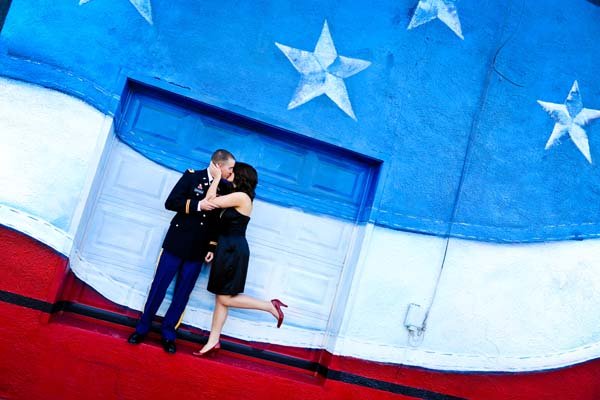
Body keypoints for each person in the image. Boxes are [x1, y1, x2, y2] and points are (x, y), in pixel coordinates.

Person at [127, 149, 235, 354]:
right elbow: (171, 202)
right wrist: (198, 205)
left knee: (182, 294)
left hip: (198, 249)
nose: (232, 172)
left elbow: (219, 221)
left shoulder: (225, 188)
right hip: (176, 243)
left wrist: (212, 245)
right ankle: (142, 328)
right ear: (219, 165)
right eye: (230, 168)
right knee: (159, 287)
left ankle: (168, 333)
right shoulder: (192, 176)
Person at [192, 161, 287, 357]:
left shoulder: (241, 197)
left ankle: (270, 306)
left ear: (241, 176)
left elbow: (209, 201)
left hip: (234, 250)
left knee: (225, 297)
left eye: (233, 171)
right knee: (221, 298)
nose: (230, 172)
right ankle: (213, 341)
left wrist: (217, 178)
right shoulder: (234, 195)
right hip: (226, 247)